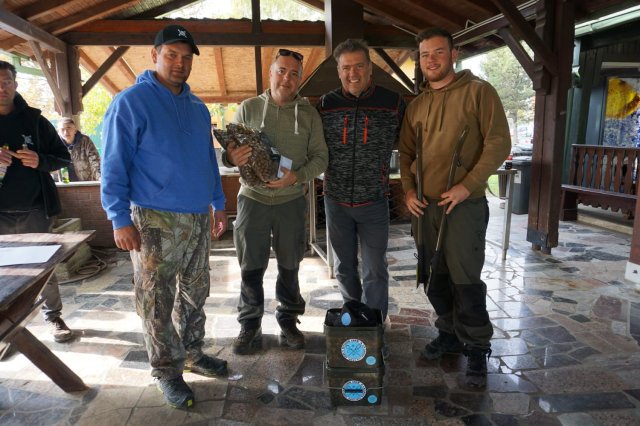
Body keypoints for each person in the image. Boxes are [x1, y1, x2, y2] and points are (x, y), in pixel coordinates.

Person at [100, 24, 229, 409]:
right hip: (153, 218)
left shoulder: (198, 108)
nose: (179, 63)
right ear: (154, 55)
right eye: (171, 55)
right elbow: (113, 164)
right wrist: (118, 218)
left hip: (197, 217)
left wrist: (218, 202)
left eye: (186, 57)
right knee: (156, 298)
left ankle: (191, 352)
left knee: (196, 290)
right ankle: (166, 371)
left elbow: (208, 160)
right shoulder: (130, 102)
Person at [398, 28, 511, 388]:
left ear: (453, 54)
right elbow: (406, 154)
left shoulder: (479, 92)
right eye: (425, 54)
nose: (431, 60)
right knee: (434, 277)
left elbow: (498, 143)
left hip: (464, 205)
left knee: (465, 280)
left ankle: (476, 347)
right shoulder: (416, 105)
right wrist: (409, 190)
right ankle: (448, 333)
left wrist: (467, 185)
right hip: (425, 208)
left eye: (438, 52)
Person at [222, 49, 328, 355]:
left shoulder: (308, 115)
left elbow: (321, 157)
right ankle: (250, 324)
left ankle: (288, 321)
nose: (287, 78)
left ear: (299, 80)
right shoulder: (249, 108)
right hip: (252, 200)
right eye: (281, 71)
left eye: (294, 74)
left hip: (291, 201)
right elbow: (230, 152)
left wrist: (297, 177)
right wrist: (230, 157)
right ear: (270, 73)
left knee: (290, 266)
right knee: (250, 267)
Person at [317, 39, 405, 323]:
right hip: (335, 201)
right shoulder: (326, 104)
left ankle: (374, 324)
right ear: (339, 71)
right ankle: (353, 318)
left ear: (370, 69)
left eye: (358, 66)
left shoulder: (393, 103)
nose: (352, 73)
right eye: (346, 68)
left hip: (374, 202)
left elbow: (411, 146)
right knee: (343, 267)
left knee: (374, 269)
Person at [0, 60, 74, 343]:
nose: (2, 88)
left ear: (15, 84)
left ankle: (53, 317)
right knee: (4, 272)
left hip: (35, 209)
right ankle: (9, 328)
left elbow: (63, 157)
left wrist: (40, 160)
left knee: (44, 268)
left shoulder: (35, 121)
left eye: (6, 81)